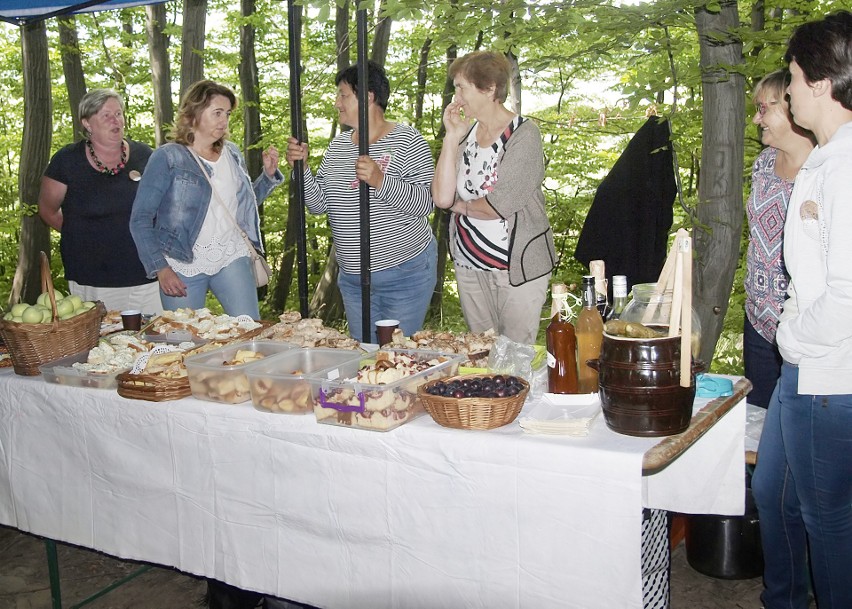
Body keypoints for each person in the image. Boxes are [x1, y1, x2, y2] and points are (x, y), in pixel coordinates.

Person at [751, 11, 852, 609]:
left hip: (826, 374)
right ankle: (783, 599)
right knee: (773, 492)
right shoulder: (825, 160)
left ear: (820, 82)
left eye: (791, 77)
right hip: (803, 368)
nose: (785, 91)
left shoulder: (844, 171)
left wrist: (790, 340)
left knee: (826, 517)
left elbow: (846, 295)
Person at [285, 61, 436, 343]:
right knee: (366, 356)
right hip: (354, 279)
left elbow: (426, 202)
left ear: (367, 96)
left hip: (403, 273)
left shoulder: (407, 140)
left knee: (399, 356)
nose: (336, 103)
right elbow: (319, 204)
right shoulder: (339, 146)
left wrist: (381, 181)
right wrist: (302, 169)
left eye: (343, 95)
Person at [431, 50, 556, 345]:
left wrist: (458, 207)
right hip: (469, 264)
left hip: (516, 268)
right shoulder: (467, 133)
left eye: (461, 87)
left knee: (514, 356)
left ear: (488, 89)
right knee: (482, 353)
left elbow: (500, 205)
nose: (456, 96)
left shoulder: (524, 135)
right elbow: (440, 196)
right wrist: (451, 138)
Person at [130, 80, 282, 320]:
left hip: (231, 254)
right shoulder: (167, 157)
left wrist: (269, 176)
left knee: (249, 331)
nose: (224, 121)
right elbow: (140, 218)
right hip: (182, 263)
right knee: (185, 340)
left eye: (228, 114)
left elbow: (241, 206)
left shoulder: (232, 153)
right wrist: (161, 268)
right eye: (217, 113)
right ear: (194, 114)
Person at [38, 88, 162, 314]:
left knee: (153, 339)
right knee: (103, 344)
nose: (116, 121)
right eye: (106, 115)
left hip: (145, 275)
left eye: (119, 114)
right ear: (87, 123)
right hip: (92, 278)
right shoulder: (67, 161)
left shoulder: (146, 156)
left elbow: (162, 209)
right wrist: (84, 234)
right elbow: (48, 211)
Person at [743, 70, 814, 408]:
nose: (757, 118)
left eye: (764, 108)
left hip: (804, 327)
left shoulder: (823, 169)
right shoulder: (764, 163)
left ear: (790, 107)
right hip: (757, 320)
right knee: (758, 422)